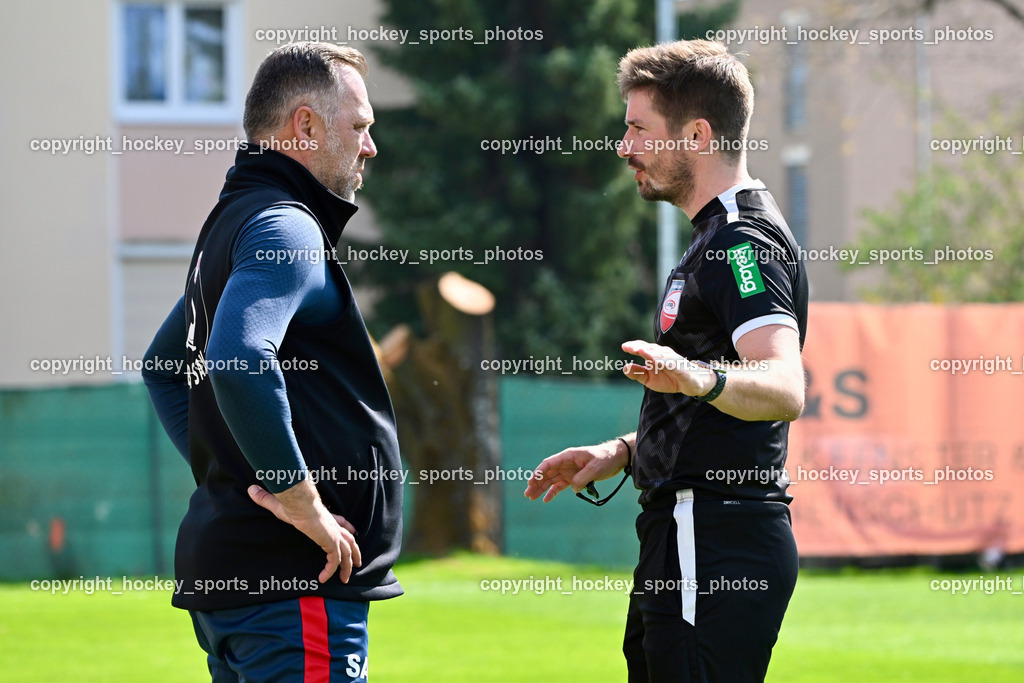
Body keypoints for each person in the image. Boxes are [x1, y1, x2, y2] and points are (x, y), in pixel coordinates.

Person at [525, 40, 808, 682]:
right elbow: (713, 403)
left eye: (637, 128)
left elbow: (784, 385)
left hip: (712, 533)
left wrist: (695, 377)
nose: (624, 147)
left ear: (698, 134)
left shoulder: (741, 243)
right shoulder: (713, 236)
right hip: (689, 529)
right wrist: (625, 450)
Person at [142, 42, 402, 682]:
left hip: (248, 588)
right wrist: (301, 501)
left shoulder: (238, 220)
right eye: (360, 127)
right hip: (294, 585)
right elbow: (236, 361)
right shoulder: (285, 226)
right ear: (306, 126)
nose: (370, 147)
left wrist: (235, 464)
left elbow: (163, 366)